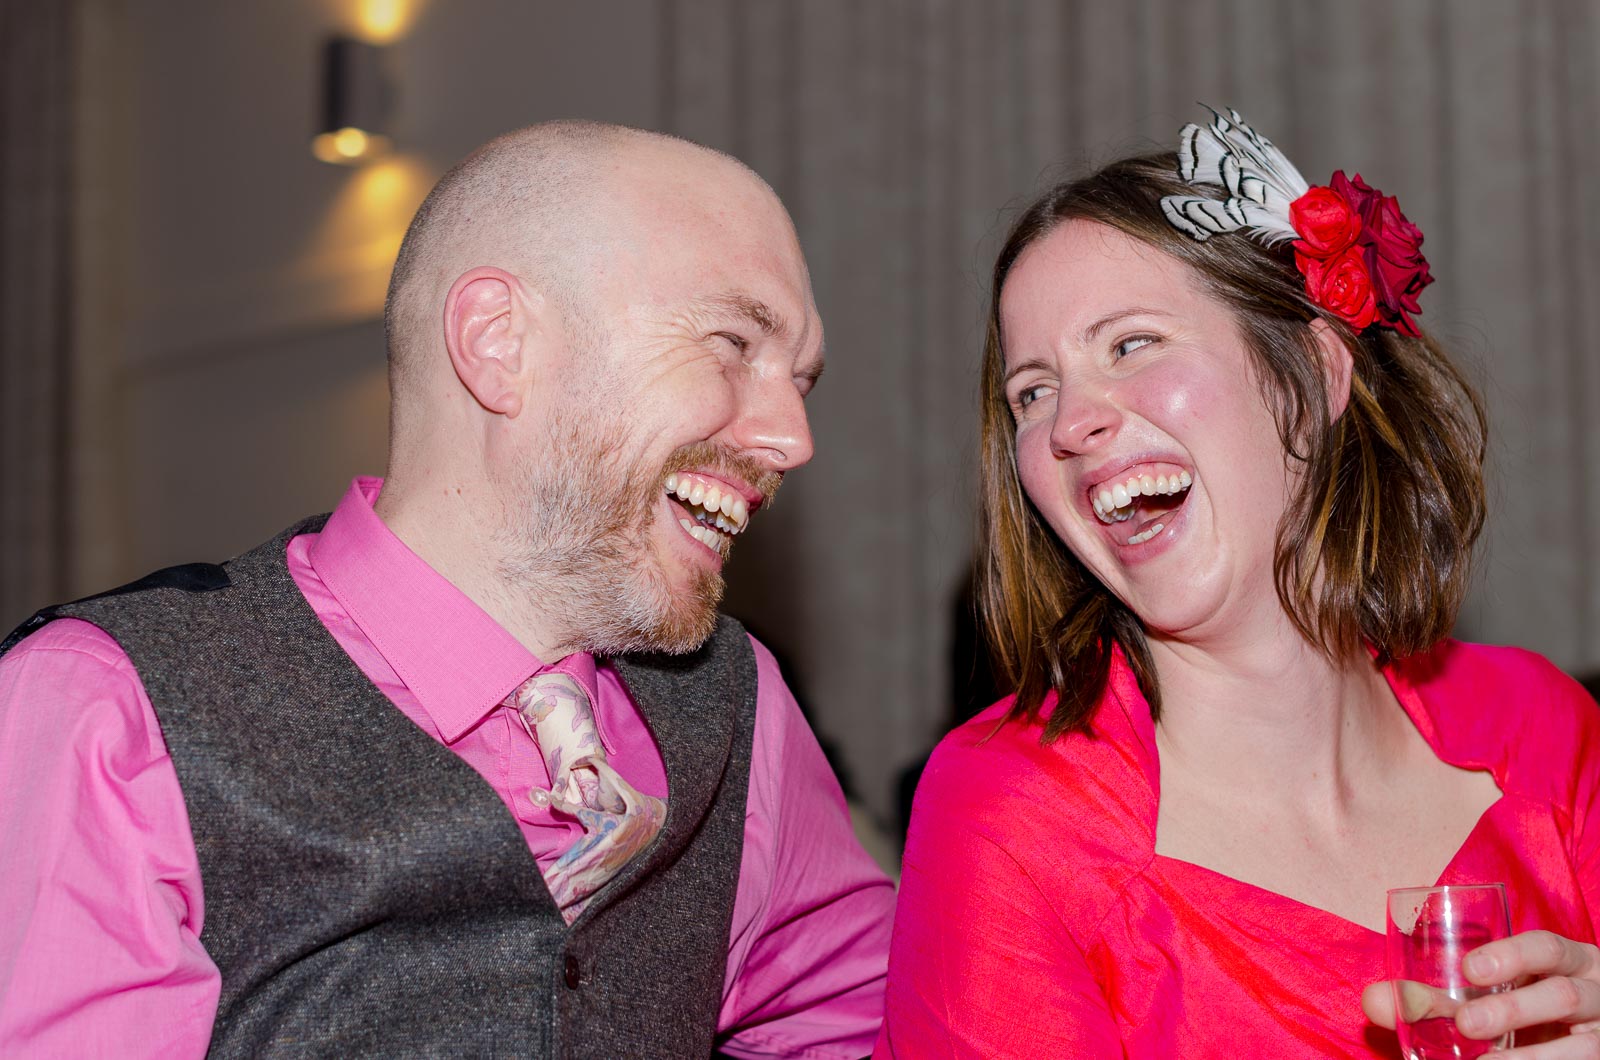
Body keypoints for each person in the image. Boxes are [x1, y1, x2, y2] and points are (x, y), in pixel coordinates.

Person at [0, 122, 894, 1058]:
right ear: (497, 342)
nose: (794, 438)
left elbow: (870, 1030)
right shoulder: (107, 708)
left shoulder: (740, 709)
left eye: (800, 380)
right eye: (731, 343)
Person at [878, 108, 1600, 1057]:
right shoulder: (1013, 823)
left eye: (1131, 344)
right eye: (1032, 391)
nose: (1070, 423)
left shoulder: (1540, 733)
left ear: (1312, 368)